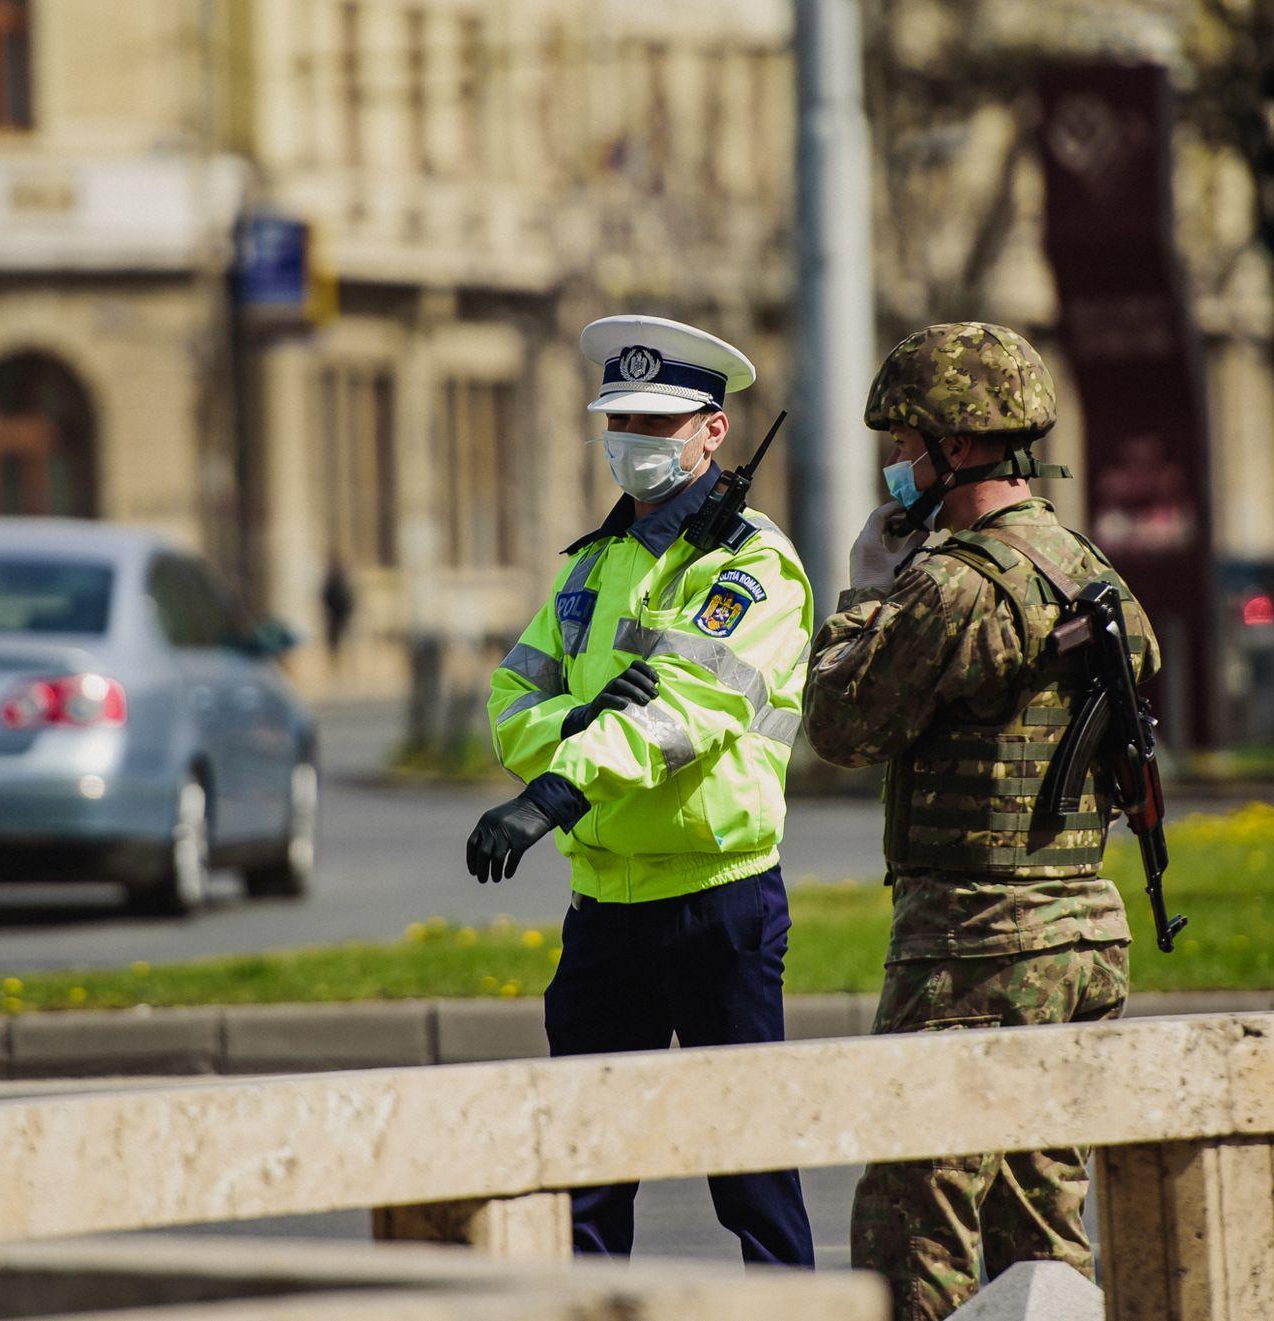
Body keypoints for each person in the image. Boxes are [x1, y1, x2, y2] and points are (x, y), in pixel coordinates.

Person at [800, 323, 1161, 1320]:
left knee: (918, 1219)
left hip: (973, 940)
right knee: (1039, 1223)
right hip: (1082, 931)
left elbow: (839, 726)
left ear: (956, 445)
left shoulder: (955, 583)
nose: (897, 462)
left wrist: (865, 593)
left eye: (906, 440)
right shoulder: (1080, 561)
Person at [467, 314, 816, 1266]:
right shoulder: (593, 562)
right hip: (606, 908)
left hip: (718, 902)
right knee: (581, 1182)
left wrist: (552, 794)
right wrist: (578, 722)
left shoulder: (751, 565)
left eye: (657, 423)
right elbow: (510, 700)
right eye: (620, 420)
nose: (633, 440)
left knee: (751, 1177)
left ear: (713, 431)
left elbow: (689, 710)